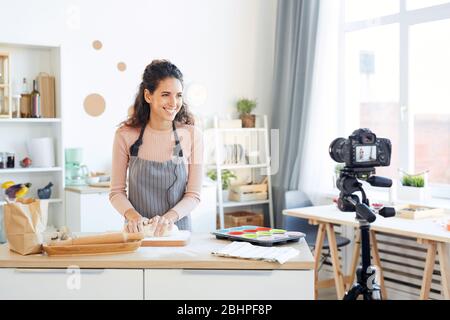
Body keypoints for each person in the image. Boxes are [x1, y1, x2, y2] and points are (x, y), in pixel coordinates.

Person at [109, 60, 203, 236]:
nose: (174, 102)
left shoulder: (193, 135)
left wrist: (167, 219)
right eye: (166, 94)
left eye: (179, 95)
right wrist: (134, 217)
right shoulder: (125, 135)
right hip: (137, 233)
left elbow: (193, 195)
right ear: (148, 96)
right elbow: (116, 192)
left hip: (177, 232)